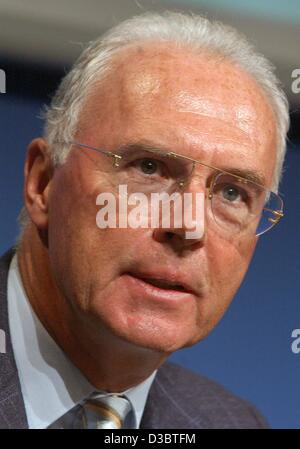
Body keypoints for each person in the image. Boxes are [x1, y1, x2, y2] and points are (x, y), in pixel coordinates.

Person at [0, 11, 289, 429]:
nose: (189, 227)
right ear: (43, 182)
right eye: (149, 168)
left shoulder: (235, 422)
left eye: (232, 193)